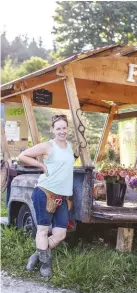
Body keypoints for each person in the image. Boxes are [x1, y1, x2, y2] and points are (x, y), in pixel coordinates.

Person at [18, 114, 75, 278]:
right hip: (45, 192)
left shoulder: (70, 146)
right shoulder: (48, 146)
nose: (62, 131)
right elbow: (23, 156)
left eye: (64, 128)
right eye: (58, 128)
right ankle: (45, 266)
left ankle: (38, 254)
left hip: (62, 196)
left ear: (67, 129)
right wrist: (41, 165)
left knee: (60, 235)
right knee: (42, 230)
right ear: (52, 130)